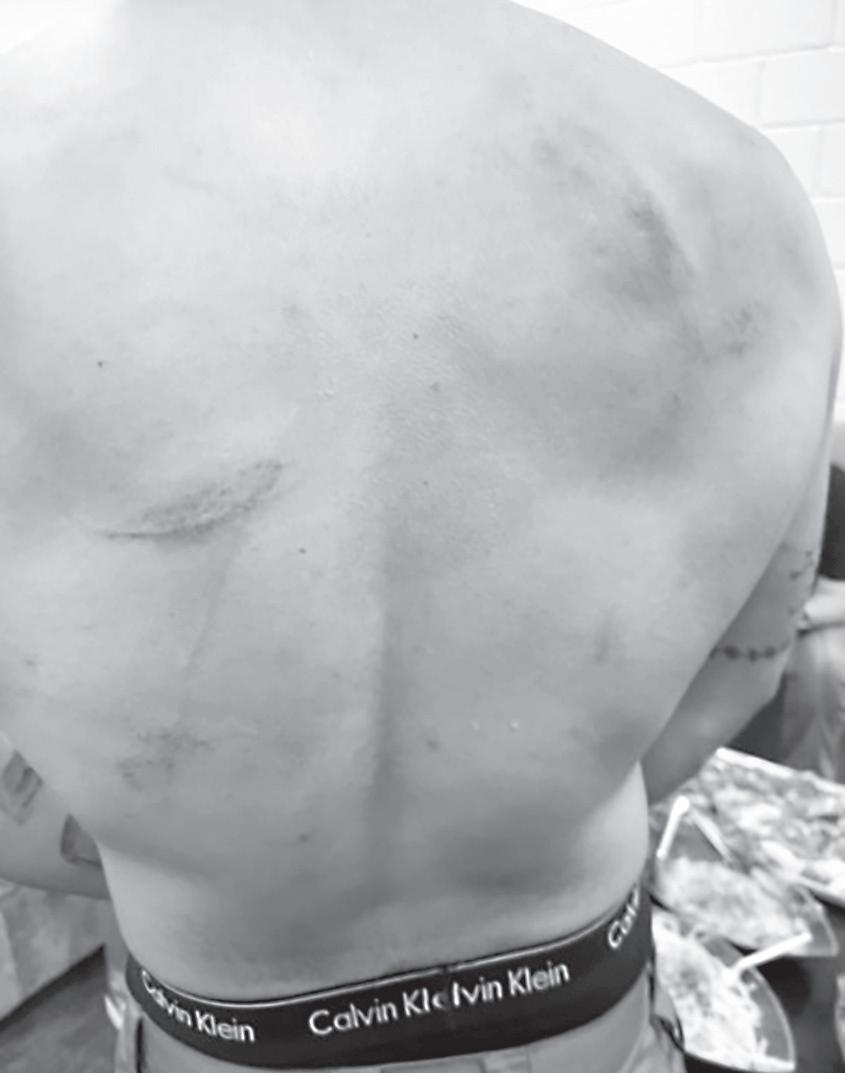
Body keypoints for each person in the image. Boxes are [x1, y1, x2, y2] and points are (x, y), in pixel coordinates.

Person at [0, 2, 841, 1071]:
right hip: (583, 1017)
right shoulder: (737, 189)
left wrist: (182, 851)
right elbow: (736, 680)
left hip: (228, 1033)